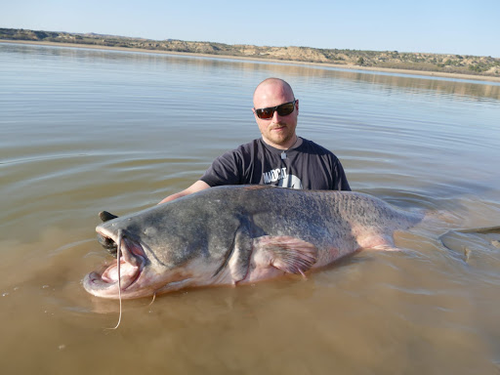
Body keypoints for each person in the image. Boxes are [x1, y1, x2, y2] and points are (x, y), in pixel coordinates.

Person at [159, 77, 350, 203]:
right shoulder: (238, 161)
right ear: (255, 115)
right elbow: (189, 195)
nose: (276, 120)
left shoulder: (327, 162)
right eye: (265, 112)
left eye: (284, 110)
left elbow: (350, 211)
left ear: (297, 107)